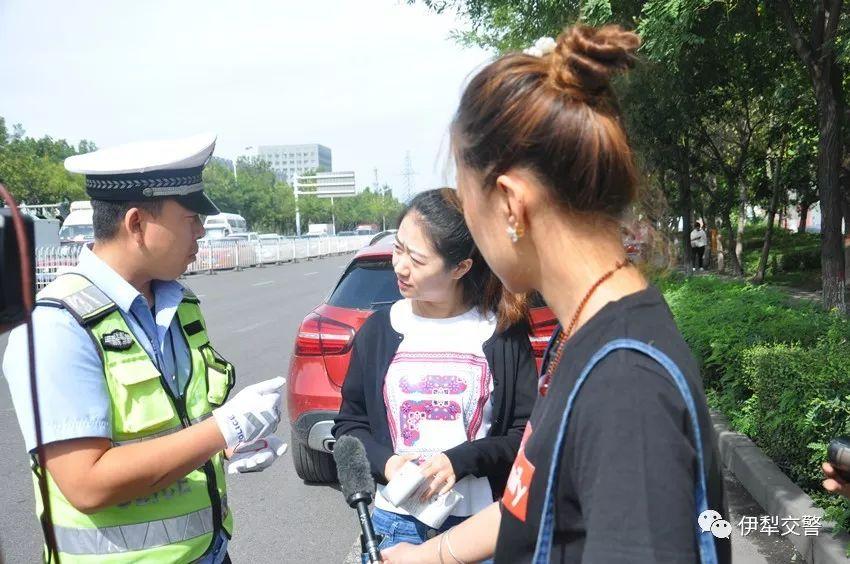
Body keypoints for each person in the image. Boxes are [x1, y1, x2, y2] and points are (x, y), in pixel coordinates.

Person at [383, 24, 731, 564]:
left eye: (468, 205)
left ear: (510, 204)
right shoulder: (584, 337)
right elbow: (537, 498)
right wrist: (433, 555)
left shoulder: (623, 383)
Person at [2, 133, 287, 563]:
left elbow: (172, 430)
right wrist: (221, 429)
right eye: (191, 217)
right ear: (136, 224)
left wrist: (226, 446)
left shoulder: (179, 305)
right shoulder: (57, 326)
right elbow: (87, 483)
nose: (202, 231)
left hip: (209, 553)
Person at [332, 188, 538, 560]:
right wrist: (388, 463)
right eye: (398, 249)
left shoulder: (500, 333)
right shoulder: (380, 330)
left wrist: (460, 461)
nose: (400, 266)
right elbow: (350, 425)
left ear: (461, 267)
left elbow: (523, 436)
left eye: (417, 259)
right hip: (393, 525)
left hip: (477, 529)